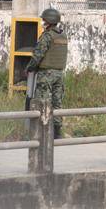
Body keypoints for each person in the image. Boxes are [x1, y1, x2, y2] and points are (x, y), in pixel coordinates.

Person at [26, 8, 68, 139]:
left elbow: (38, 55)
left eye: (44, 20)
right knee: (57, 104)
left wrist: (29, 68)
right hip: (59, 74)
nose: (43, 22)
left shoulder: (47, 36)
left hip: (46, 75)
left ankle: (40, 134)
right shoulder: (63, 35)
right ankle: (57, 133)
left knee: (41, 103)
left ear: (49, 21)